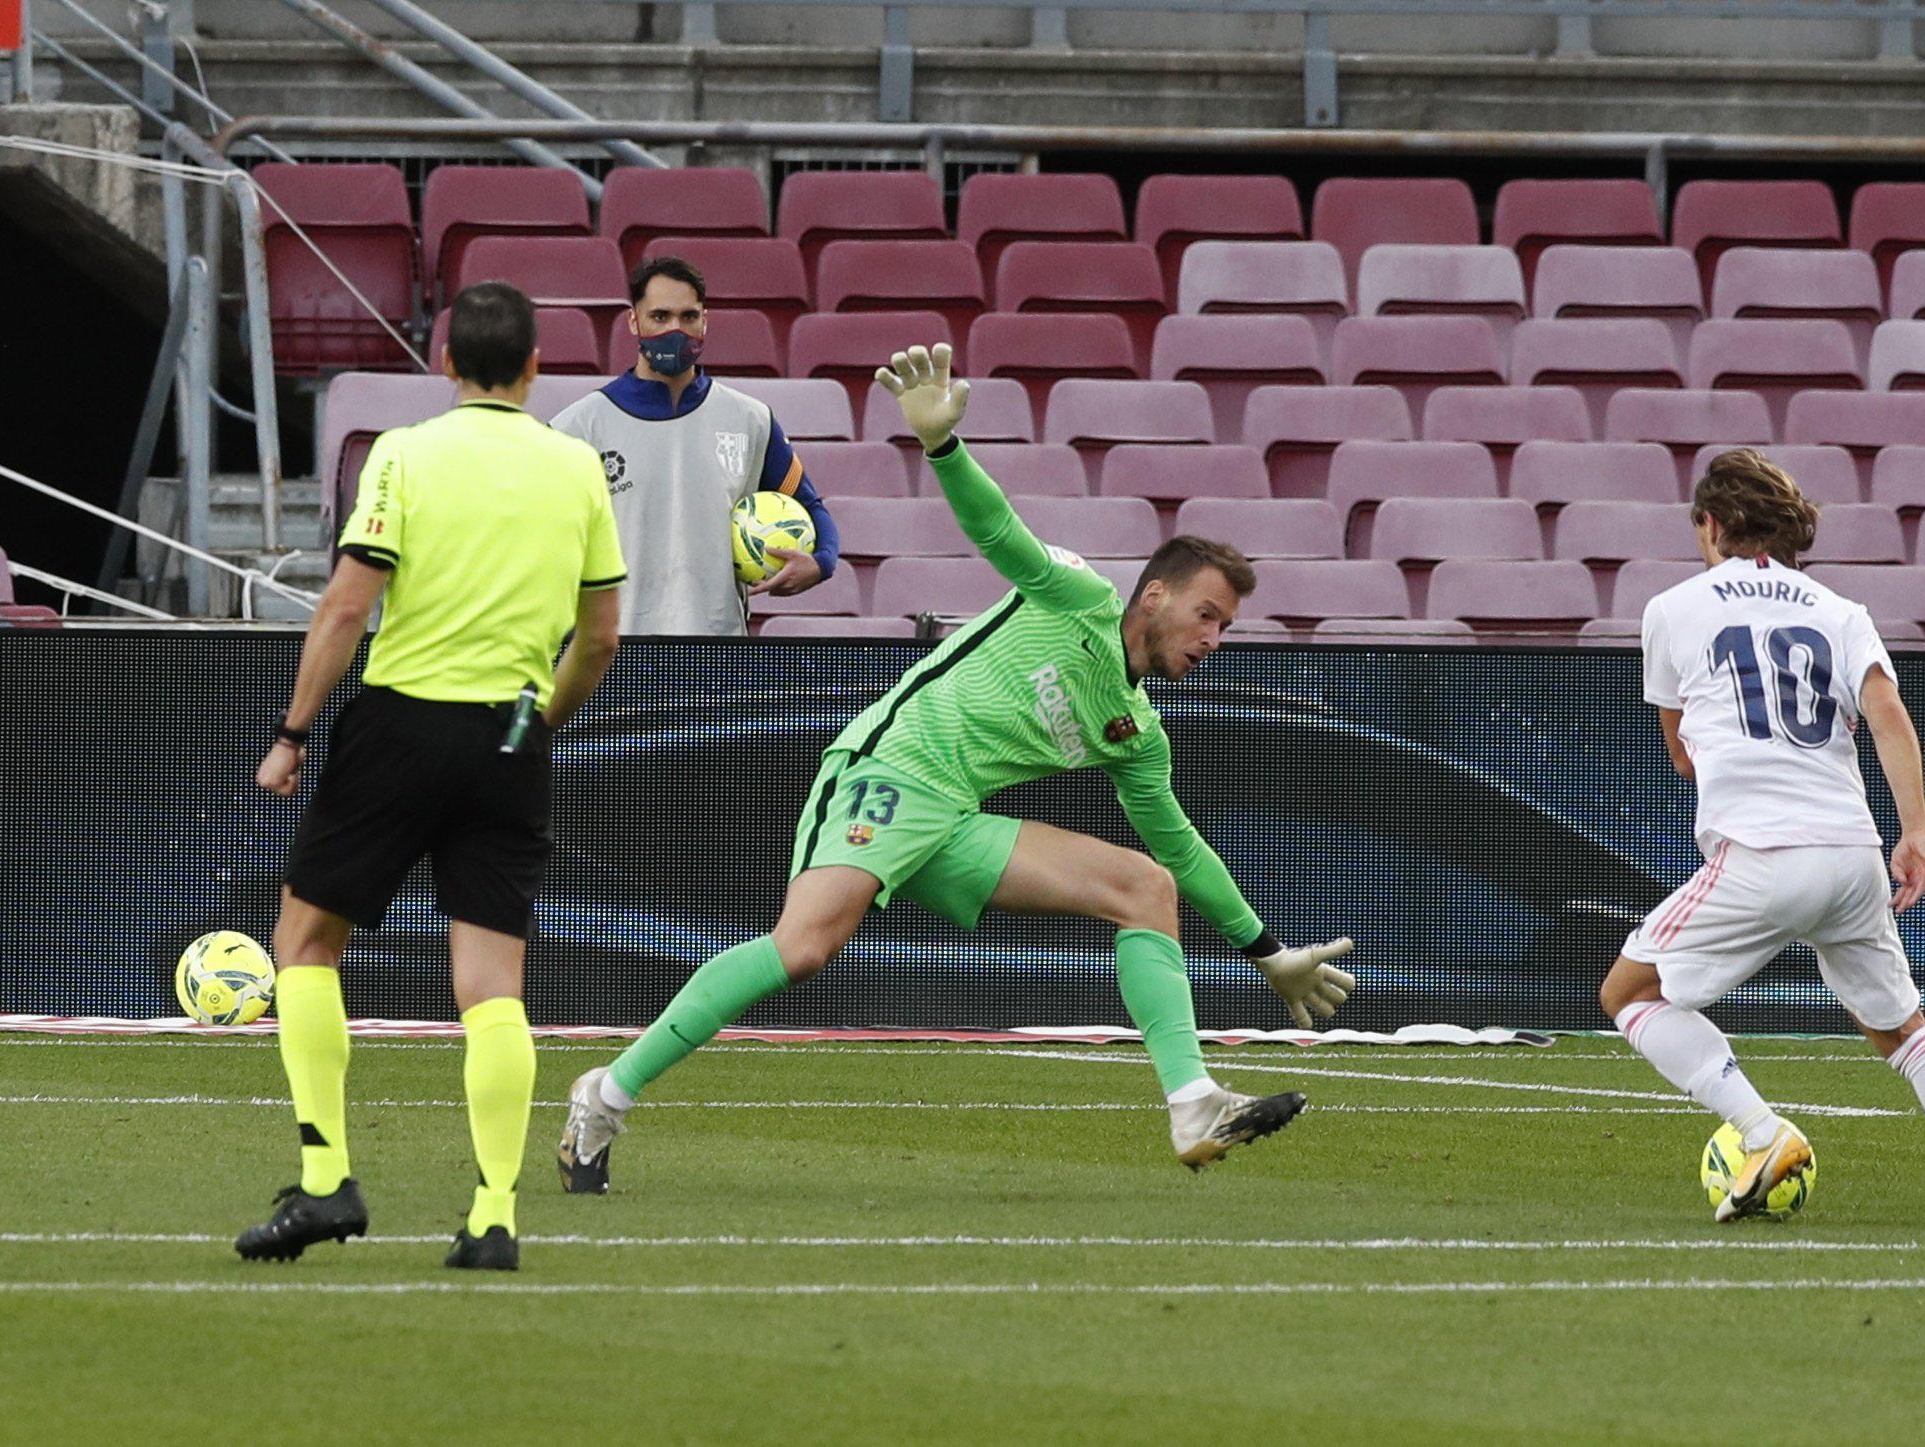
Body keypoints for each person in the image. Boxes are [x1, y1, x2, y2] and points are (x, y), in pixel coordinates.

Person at [557, 343, 1355, 1191]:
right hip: (889, 769)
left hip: (954, 816)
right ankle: (603, 1096)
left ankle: (1193, 1104)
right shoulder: (1077, 597)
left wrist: (1267, 952)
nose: (1212, 640)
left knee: (1148, 886)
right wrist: (944, 446)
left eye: (1225, 628)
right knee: (802, 948)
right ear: (1152, 596)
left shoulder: (1138, 733)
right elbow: (997, 531)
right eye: (1206, 615)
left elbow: (1187, 850)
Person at [237, 282, 627, 1271]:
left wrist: (291, 733)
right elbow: (601, 636)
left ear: (446, 365)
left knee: (306, 942)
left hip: (402, 724)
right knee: (493, 985)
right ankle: (494, 1214)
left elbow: (342, 609)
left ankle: (326, 1183)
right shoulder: (576, 467)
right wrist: (541, 721)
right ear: (536, 370)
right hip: (509, 736)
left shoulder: (405, 453)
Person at [1601, 450, 1925, 1230]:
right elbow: (1887, 714)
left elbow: (1682, 755)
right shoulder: (1839, 610)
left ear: (1710, 523)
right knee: (1906, 1034)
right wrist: (1915, 831)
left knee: (1629, 993)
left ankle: (1761, 1131)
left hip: (1762, 854)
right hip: (1852, 852)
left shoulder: (1672, 609)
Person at [551, 256, 839, 634]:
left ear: (705, 320)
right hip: (612, 657)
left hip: (718, 653)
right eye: (660, 317)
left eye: (688, 317)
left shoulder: (751, 421)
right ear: (634, 321)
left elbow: (811, 508)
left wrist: (820, 563)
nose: (676, 330)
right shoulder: (575, 428)